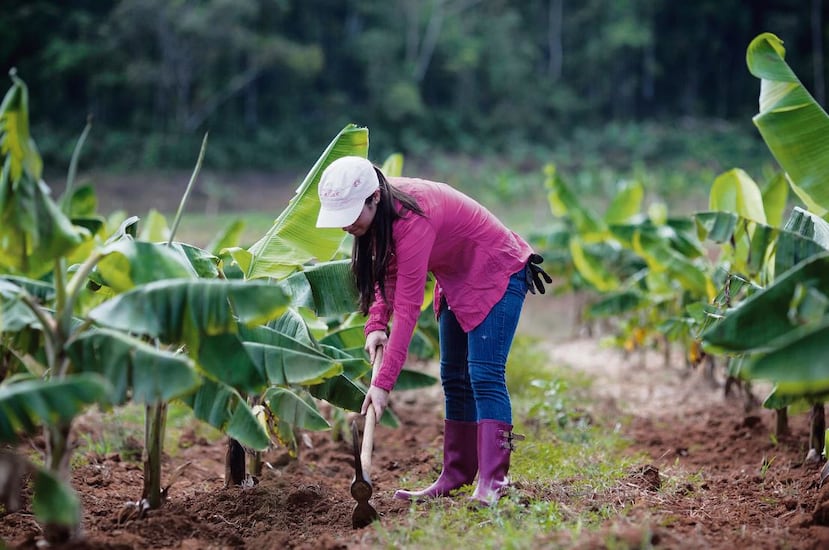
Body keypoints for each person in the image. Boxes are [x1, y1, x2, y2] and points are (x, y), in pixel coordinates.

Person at [315, 156, 550, 506]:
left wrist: (382, 386)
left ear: (374, 198)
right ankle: (456, 474)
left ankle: (494, 481)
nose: (346, 226)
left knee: (484, 375)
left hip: (495, 270)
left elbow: (408, 310)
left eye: (351, 214)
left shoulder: (412, 217)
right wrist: (376, 323)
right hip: (454, 277)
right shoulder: (379, 215)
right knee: (453, 377)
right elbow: (383, 271)